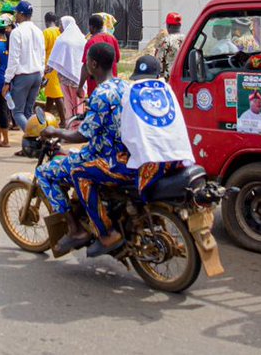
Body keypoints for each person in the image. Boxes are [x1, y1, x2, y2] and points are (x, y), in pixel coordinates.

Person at [36, 46, 175, 256]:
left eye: (87, 63)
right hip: (130, 153)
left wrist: (57, 131)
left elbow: (83, 135)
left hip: (107, 158)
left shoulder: (101, 94)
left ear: (93, 64)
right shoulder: (125, 86)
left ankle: (77, 230)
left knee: (46, 173)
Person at [3, 0, 45, 139]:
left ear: (21, 14)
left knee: (17, 112)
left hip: (23, 75)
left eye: (16, 13)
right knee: (28, 112)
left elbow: (13, 58)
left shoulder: (17, 32)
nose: (15, 16)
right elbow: (42, 55)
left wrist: (7, 80)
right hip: (36, 74)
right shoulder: (39, 31)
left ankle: (34, 139)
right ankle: (33, 140)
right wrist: (42, 74)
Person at [46, 15, 86, 119]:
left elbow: (55, 58)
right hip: (79, 78)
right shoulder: (82, 38)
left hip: (65, 79)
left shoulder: (62, 40)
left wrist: (45, 72)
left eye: (61, 25)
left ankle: (71, 125)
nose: (59, 28)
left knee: (69, 105)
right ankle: (79, 127)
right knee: (79, 104)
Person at [37, 12, 67, 125]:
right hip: (61, 65)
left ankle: (64, 121)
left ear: (46, 21)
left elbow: (41, 49)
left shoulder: (46, 32)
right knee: (51, 94)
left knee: (56, 94)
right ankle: (44, 118)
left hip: (50, 66)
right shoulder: (61, 31)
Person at [79, 13, 120, 96]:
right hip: (112, 81)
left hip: (96, 82)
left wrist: (80, 87)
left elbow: (86, 67)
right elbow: (117, 59)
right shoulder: (112, 39)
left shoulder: (91, 42)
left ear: (92, 27)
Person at [142, 12, 185, 78]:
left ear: (168, 26)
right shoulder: (187, 39)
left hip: (170, 79)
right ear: (180, 26)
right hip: (184, 77)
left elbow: (158, 63)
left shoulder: (165, 42)